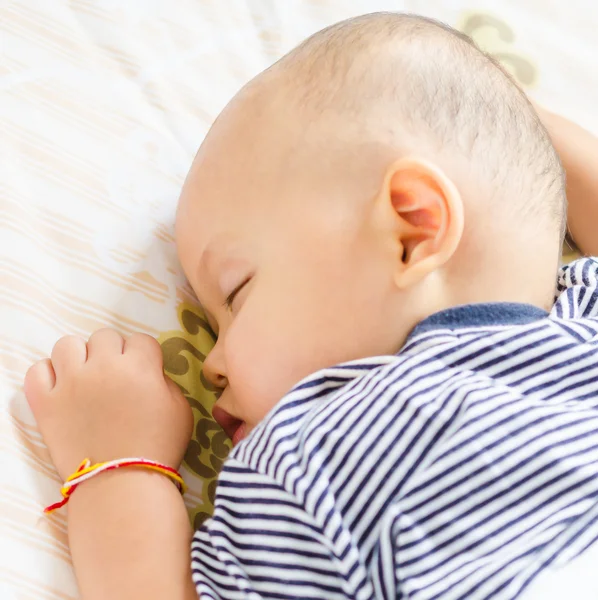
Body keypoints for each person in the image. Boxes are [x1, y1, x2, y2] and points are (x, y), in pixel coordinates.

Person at [23, 12, 598, 600]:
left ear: (412, 231)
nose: (210, 364)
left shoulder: (313, 458)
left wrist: (118, 460)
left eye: (238, 292)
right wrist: (521, 122)